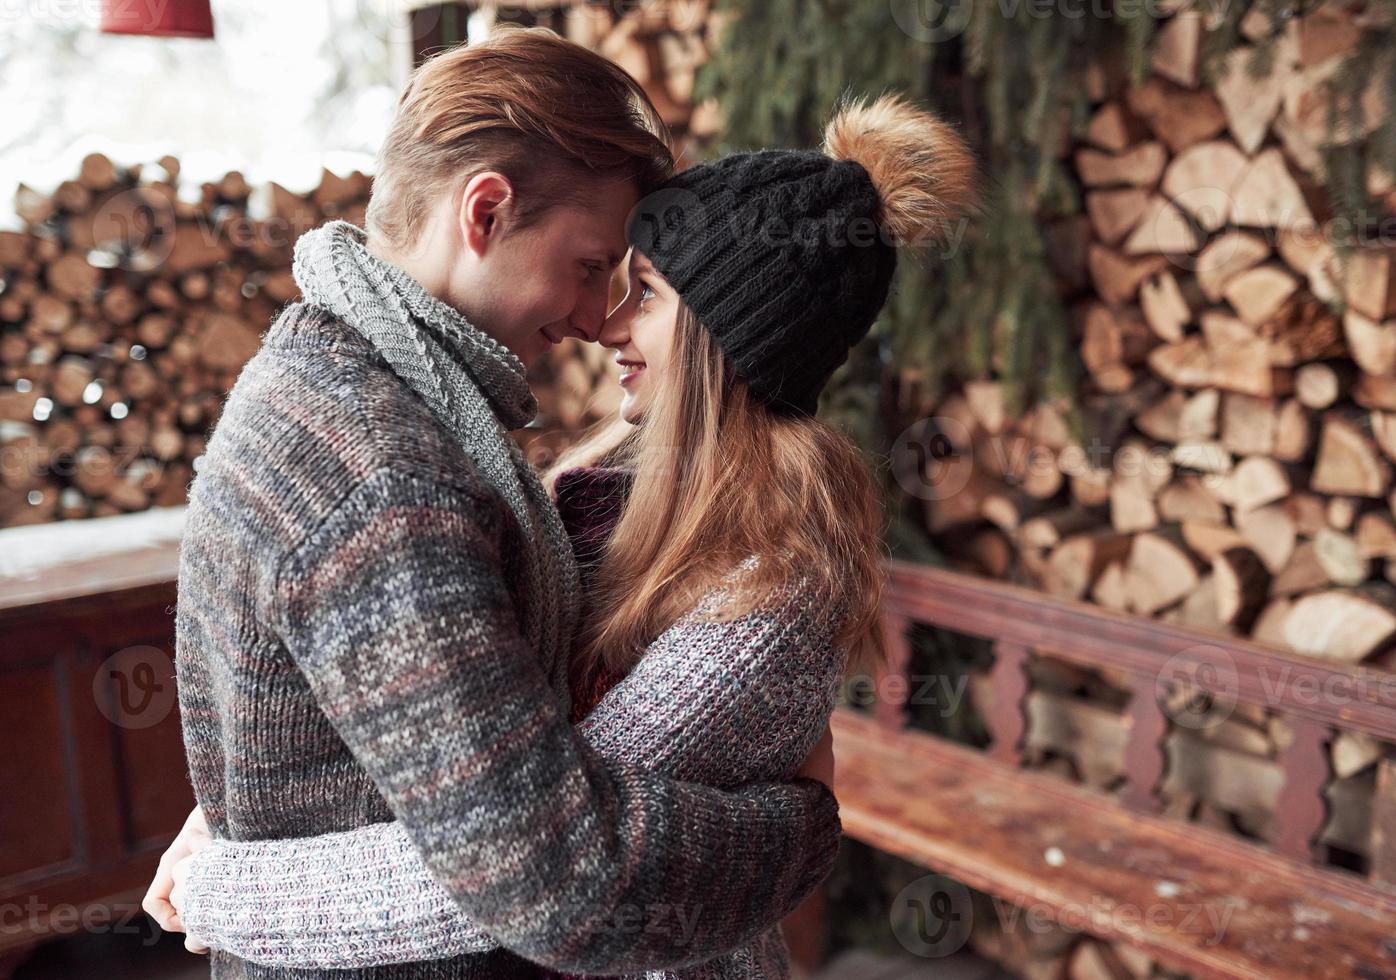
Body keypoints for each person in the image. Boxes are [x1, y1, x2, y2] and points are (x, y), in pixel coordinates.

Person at [150, 92, 980, 979]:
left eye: (645, 294)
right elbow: (462, 735)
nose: (606, 323)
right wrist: (241, 810)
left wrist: (223, 889)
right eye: (607, 278)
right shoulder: (600, 488)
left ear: (722, 337)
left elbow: (522, 862)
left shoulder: (768, 591)